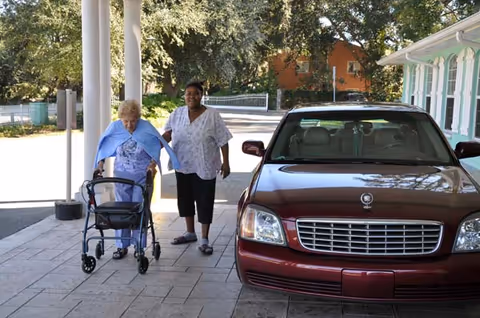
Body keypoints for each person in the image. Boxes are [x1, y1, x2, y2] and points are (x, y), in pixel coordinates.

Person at [93, 99, 180, 260]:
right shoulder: (115, 127)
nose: (129, 125)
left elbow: (155, 147)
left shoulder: (146, 127)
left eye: (133, 121)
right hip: (121, 176)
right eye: (125, 121)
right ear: (120, 119)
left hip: (142, 176)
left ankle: (139, 246)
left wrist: (153, 165)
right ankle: (121, 246)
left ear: (138, 118)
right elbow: (104, 147)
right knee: (122, 211)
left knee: (139, 210)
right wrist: (100, 165)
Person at [162, 81, 232, 255]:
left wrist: (226, 162)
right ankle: (190, 233)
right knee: (185, 199)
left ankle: (205, 239)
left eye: (195, 93)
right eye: (188, 93)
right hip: (183, 163)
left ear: (201, 95)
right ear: (184, 96)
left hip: (205, 164)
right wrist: (153, 146)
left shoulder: (212, 115)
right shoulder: (177, 113)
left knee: (204, 200)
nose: (191, 96)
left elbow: (223, 140)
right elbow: (168, 134)